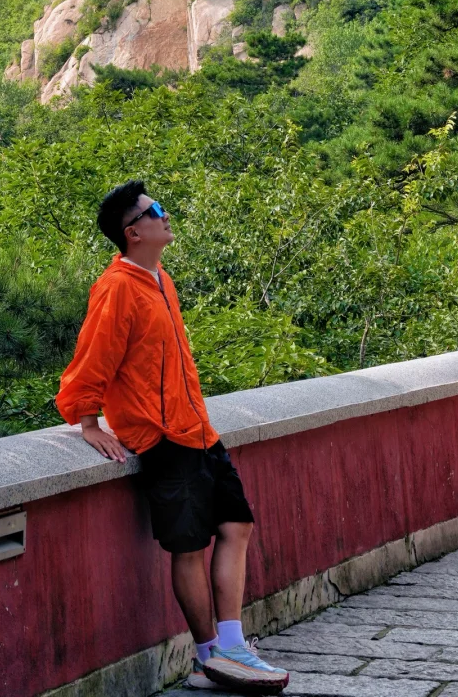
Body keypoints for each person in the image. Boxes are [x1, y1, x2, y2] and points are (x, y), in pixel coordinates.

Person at [56, 181, 289, 695]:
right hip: (160, 436)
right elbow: (93, 358)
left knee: (237, 525)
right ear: (133, 232)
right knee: (189, 547)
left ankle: (231, 646)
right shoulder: (117, 287)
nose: (165, 215)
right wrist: (87, 421)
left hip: (198, 430)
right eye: (154, 210)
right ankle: (210, 658)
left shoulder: (160, 278)